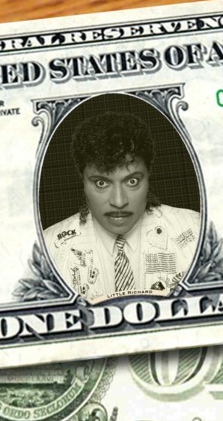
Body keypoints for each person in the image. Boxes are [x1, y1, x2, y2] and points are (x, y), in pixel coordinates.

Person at [43, 109, 200, 301]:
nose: (119, 202)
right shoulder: (48, 249)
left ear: (149, 177)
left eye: (132, 181)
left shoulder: (196, 231)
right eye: (101, 183)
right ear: (82, 181)